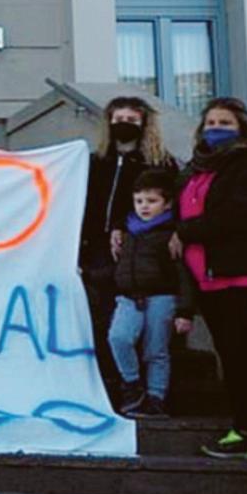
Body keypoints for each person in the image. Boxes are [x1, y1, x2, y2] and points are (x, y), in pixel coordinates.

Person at [176, 97, 247, 463]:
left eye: (225, 122)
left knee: (244, 351)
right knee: (231, 354)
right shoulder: (196, 170)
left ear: (241, 128)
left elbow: (240, 212)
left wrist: (187, 232)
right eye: (210, 121)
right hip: (209, 277)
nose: (216, 128)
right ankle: (242, 428)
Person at [80, 96, 177, 404]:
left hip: (140, 250)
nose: (124, 124)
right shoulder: (96, 162)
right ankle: (116, 382)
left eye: (132, 120)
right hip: (96, 247)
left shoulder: (160, 163)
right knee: (105, 320)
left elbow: (169, 206)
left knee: (144, 330)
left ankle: (150, 391)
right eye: (117, 118)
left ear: (144, 124)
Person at [108, 169, 194, 418]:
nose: (144, 207)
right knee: (118, 337)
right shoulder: (128, 230)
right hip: (129, 296)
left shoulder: (171, 234)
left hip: (161, 297)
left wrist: (185, 311)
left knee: (156, 350)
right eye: (139, 201)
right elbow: (119, 265)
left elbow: (183, 274)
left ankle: (156, 397)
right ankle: (132, 385)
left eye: (152, 201)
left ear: (167, 204)